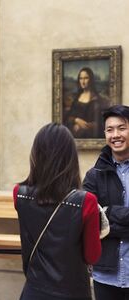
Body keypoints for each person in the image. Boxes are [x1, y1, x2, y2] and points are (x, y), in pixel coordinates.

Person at [13, 123, 101, 300]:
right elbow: (92, 255)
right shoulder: (86, 201)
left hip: (33, 291)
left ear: (36, 154)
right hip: (72, 292)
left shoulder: (19, 194)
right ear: (71, 158)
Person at [83, 104, 129, 300]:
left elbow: (102, 219)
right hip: (106, 275)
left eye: (121, 128)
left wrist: (108, 213)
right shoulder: (94, 176)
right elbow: (89, 221)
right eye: (110, 130)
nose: (115, 135)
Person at [65, 67, 110, 138]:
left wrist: (85, 126)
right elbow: (68, 117)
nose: (83, 81)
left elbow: (101, 122)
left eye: (86, 78)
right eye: (81, 78)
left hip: (90, 136)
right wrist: (76, 120)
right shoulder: (76, 99)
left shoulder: (97, 100)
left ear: (91, 80)